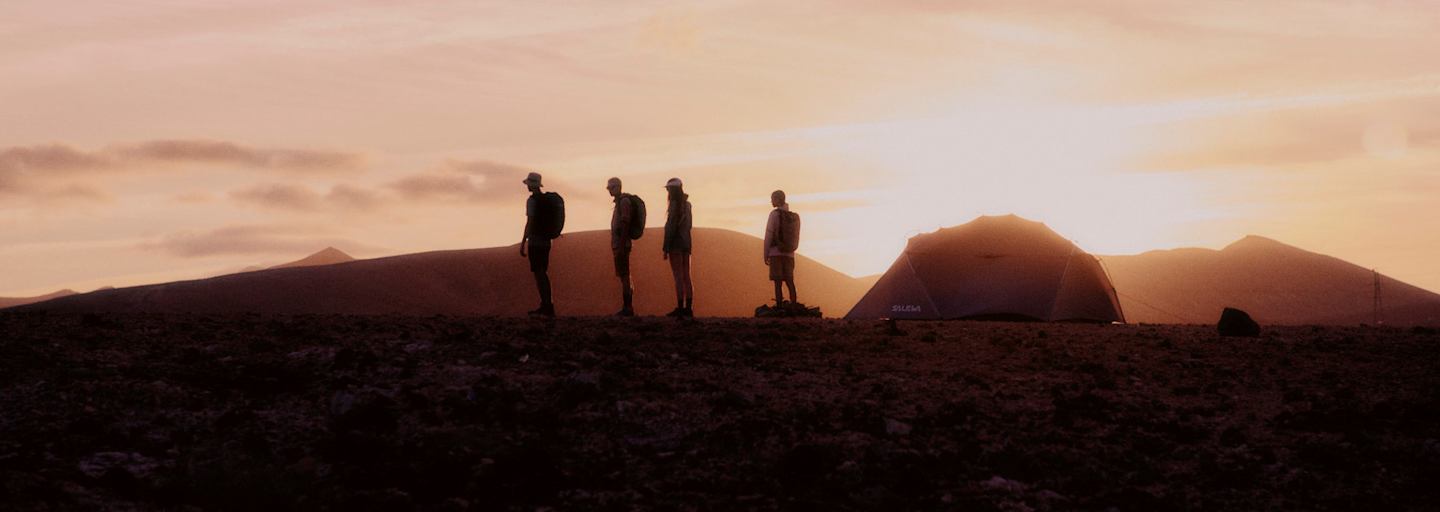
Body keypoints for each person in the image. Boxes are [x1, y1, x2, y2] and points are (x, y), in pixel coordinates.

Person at [520, 172, 555, 317]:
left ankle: (547, 305)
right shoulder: (545, 200)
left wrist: (523, 241)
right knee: (543, 272)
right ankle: (546, 304)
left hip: (535, 241)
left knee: (539, 273)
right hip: (546, 240)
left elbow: (530, 221)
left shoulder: (532, 201)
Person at [662, 178, 694, 318]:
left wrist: (665, 247)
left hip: (675, 243)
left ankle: (680, 307)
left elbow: (670, 227)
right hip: (687, 243)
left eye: (668, 189)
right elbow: (689, 225)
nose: (667, 192)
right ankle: (689, 308)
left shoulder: (674, 205)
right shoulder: (687, 205)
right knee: (687, 276)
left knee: (678, 276)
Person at [763, 189, 799, 306]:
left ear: (778, 199)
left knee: (778, 282)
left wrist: (766, 253)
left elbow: (769, 234)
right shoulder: (793, 217)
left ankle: (779, 305)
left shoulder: (774, 215)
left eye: (773, 199)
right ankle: (794, 304)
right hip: (789, 253)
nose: (771, 201)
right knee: (790, 281)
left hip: (775, 252)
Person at [606, 177, 636, 317]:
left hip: (622, 245)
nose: (609, 191)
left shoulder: (623, 202)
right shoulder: (620, 202)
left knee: (624, 275)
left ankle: (628, 307)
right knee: (624, 275)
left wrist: (622, 244)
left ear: (617, 187)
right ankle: (627, 306)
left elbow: (625, 223)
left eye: (611, 188)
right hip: (620, 244)